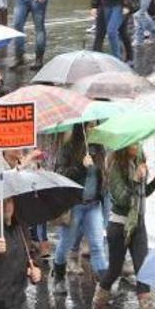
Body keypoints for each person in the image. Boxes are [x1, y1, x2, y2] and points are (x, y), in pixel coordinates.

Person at [89, 144, 155, 309]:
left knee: (144, 270)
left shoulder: (139, 160)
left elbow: (141, 195)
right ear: (124, 146)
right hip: (119, 225)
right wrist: (134, 179)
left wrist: (154, 183)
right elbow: (122, 199)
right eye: (133, 143)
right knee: (114, 270)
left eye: (139, 142)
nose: (137, 146)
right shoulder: (115, 166)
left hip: (139, 223)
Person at [51, 124, 109, 292]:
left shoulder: (99, 148)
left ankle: (104, 288)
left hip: (93, 205)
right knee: (65, 244)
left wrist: (101, 170)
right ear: (82, 127)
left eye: (97, 124)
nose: (95, 128)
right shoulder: (68, 148)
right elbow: (59, 173)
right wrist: (79, 166)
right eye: (91, 125)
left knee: (97, 245)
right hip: (74, 205)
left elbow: (102, 178)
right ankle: (59, 277)